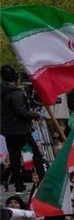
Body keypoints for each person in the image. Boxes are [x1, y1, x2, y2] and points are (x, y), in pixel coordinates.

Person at [0, 64, 41, 192]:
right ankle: (41, 178)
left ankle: (19, 184)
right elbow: (21, 112)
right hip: (21, 130)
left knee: (15, 158)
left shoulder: (2, 92)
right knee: (36, 156)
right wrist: (34, 114)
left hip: (8, 131)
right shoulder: (15, 93)